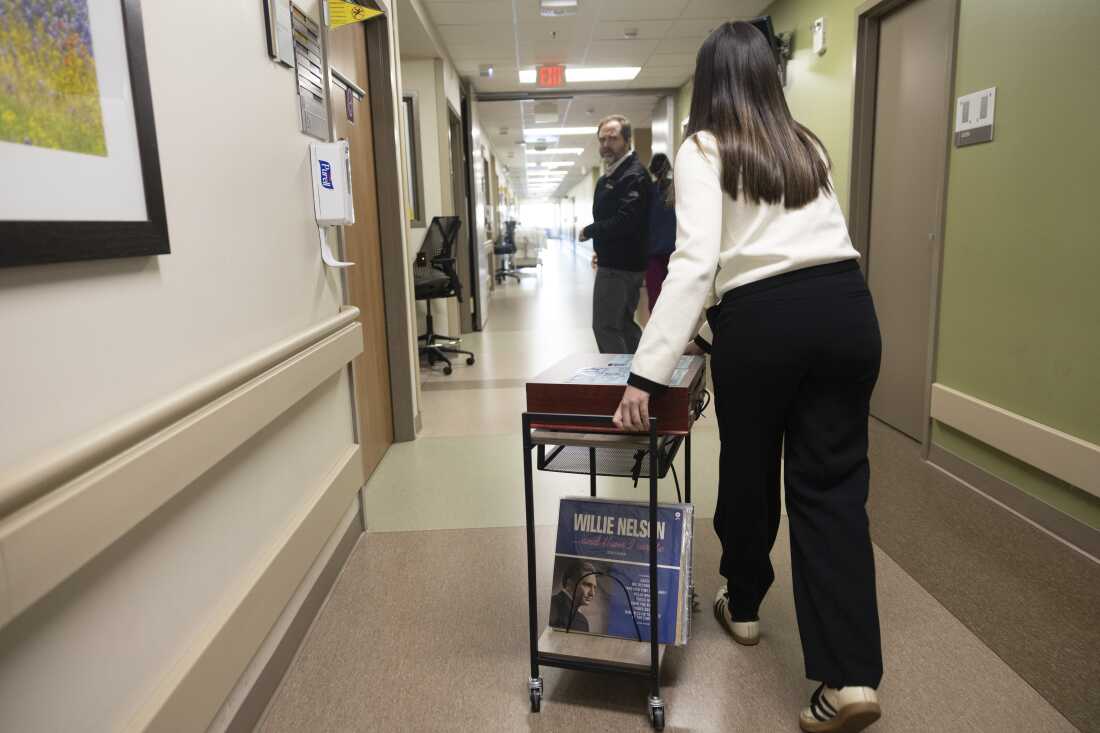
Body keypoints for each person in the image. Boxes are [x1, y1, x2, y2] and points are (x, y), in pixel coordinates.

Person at [611, 21, 884, 733]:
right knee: (832, 490)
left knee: (750, 469)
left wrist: (646, 374)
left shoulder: (703, 147)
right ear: (770, 76)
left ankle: (746, 603)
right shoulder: (806, 145)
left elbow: (695, 262)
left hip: (763, 323)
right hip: (848, 309)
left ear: (708, 82)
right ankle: (850, 678)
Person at [579, 115, 650, 354]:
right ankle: (640, 370)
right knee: (623, 324)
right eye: (602, 140)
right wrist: (601, 249)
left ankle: (618, 375)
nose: (606, 144)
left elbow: (626, 221)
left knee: (606, 327)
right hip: (618, 261)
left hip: (620, 266)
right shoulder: (614, 175)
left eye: (613, 138)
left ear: (627, 141)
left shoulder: (633, 175)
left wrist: (590, 231)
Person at [646, 153, 676, 308]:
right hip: (673, 252)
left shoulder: (649, 191)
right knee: (673, 296)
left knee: (655, 298)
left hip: (655, 252)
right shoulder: (676, 189)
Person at [548, 560, 599, 632]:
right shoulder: (553, 607)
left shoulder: (550, 603)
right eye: (587, 585)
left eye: (594, 587)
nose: (592, 593)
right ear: (569, 583)